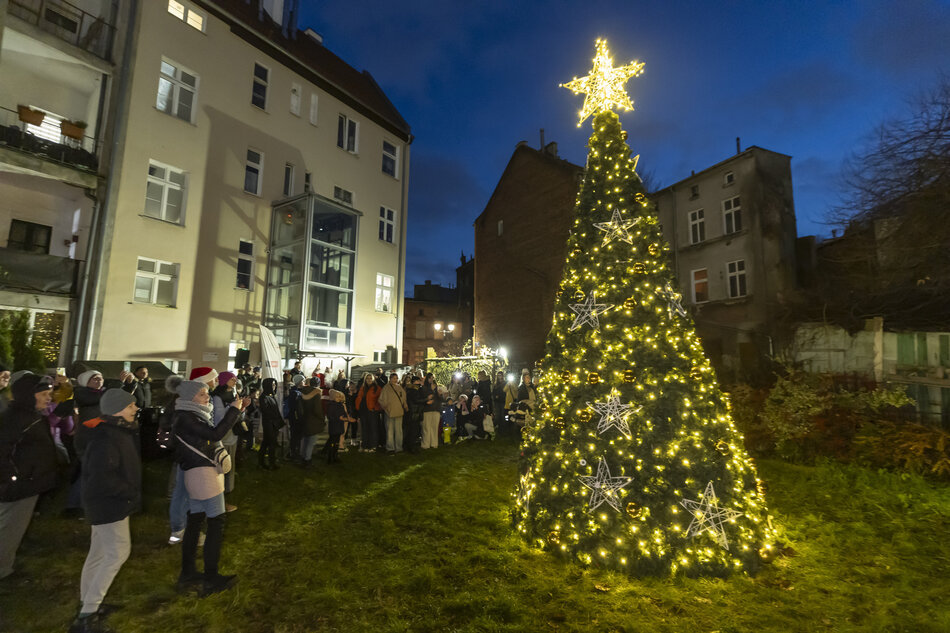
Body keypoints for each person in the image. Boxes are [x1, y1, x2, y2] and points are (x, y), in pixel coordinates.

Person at [68, 389, 141, 633]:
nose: (136, 409)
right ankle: (87, 616)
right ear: (119, 409)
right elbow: (102, 478)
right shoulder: (107, 437)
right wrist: (129, 491)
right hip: (109, 503)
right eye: (132, 405)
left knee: (99, 553)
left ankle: (88, 603)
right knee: (117, 553)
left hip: (104, 502)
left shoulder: (115, 431)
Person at [173, 379, 248, 597]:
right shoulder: (187, 417)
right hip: (203, 473)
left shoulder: (190, 414)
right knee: (216, 521)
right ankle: (211, 578)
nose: (207, 397)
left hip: (196, 472)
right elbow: (215, 434)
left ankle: (188, 572)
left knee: (196, 519)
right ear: (189, 398)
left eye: (207, 393)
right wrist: (234, 411)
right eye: (202, 394)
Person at [0, 374, 56, 580]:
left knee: (12, 527)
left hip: (28, 483)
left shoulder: (30, 416)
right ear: (27, 395)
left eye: (49, 393)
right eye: (43, 394)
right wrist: (13, 478)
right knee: (9, 529)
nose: (48, 398)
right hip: (19, 486)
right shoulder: (16, 419)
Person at [211, 372, 243, 509]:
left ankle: (228, 490)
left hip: (232, 434)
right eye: (231, 378)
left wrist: (242, 407)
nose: (235, 380)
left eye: (235, 378)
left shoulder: (233, 393)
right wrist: (234, 407)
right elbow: (220, 418)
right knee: (221, 464)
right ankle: (219, 494)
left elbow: (235, 413)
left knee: (230, 463)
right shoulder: (217, 397)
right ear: (224, 381)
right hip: (222, 435)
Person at [378, 372, 407, 455]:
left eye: (396, 378)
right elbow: (381, 400)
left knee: (399, 431)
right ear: (390, 379)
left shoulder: (399, 387)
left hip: (398, 411)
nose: (395, 380)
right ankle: (390, 448)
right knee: (390, 431)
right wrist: (385, 407)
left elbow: (404, 398)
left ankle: (398, 447)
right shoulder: (386, 388)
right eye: (393, 378)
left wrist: (405, 405)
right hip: (389, 412)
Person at [299, 378, 325, 467]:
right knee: (311, 442)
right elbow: (317, 410)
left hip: (304, 419)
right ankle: (307, 460)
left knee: (305, 440)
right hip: (313, 420)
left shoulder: (301, 392)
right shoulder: (316, 394)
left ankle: (303, 457)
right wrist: (322, 418)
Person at [258, 378, 283, 471]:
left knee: (269, 443)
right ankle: (266, 463)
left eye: (275, 385)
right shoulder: (263, 397)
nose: (274, 386)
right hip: (268, 424)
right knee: (269, 444)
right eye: (272, 385)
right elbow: (266, 411)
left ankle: (268, 462)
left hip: (274, 424)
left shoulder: (272, 396)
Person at [322, 389, 351, 464]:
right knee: (332, 443)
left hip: (339, 426)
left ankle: (335, 456)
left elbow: (344, 414)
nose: (339, 398)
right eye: (337, 396)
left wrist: (346, 418)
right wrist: (339, 418)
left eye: (340, 396)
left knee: (336, 443)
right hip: (334, 427)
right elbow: (330, 416)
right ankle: (330, 457)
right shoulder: (331, 405)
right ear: (334, 397)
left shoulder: (340, 405)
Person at [355, 373, 382, 452]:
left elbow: (380, 400)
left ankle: (373, 445)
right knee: (365, 429)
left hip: (372, 411)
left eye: (370, 378)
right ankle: (365, 445)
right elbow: (359, 398)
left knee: (373, 429)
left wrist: (375, 408)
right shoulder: (362, 388)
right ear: (365, 379)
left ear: (373, 379)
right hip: (363, 411)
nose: (369, 380)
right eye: (367, 378)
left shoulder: (377, 388)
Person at [420, 373, 442, 449]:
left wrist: (439, 394)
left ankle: (434, 444)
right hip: (427, 410)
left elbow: (440, 399)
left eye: (432, 378)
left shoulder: (436, 387)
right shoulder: (424, 388)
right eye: (430, 378)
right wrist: (432, 390)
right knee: (426, 428)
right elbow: (425, 397)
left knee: (434, 427)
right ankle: (426, 444)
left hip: (436, 409)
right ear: (427, 379)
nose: (431, 379)